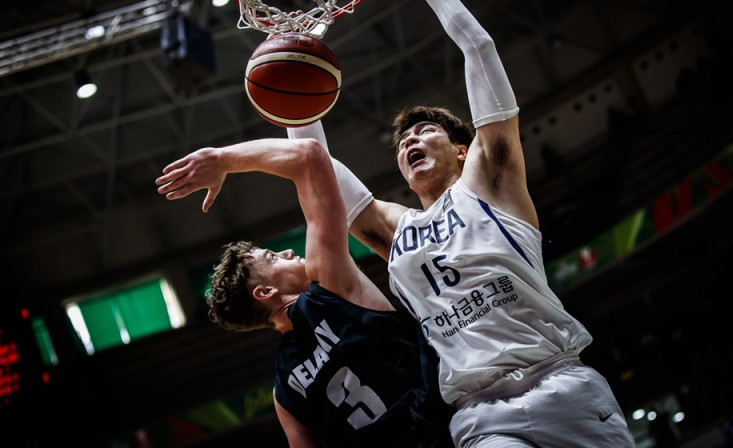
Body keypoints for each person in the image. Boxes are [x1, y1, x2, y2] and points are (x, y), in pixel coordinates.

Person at [315, 0, 638, 446]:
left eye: (426, 131)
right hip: (481, 416)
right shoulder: (396, 230)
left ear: (463, 150)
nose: (411, 138)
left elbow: (479, 47)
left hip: (558, 382)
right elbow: (318, 171)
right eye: (404, 140)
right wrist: (301, 94)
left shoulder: (491, 183)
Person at [154, 122, 455, 448]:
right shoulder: (329, 289)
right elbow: (310, 156)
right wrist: (222, 159)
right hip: (450, 434)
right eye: (272, 257)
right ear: (266, 292)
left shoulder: (284, 393)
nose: (285, 251)